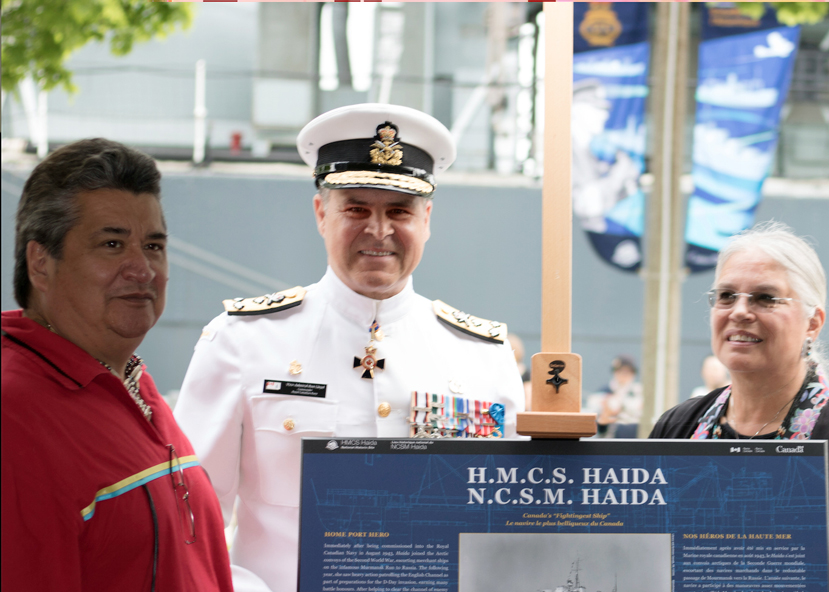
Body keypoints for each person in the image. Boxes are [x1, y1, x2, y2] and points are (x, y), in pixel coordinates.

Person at [173, 104, 526, 592]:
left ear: (427, 219)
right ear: (321, 214)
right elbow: (190, 517)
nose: (379, 230)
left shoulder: (483, 356)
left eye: (399, 211)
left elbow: (504, 526)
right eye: (356, 209)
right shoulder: (241, 341)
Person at [1, 139, 233, 591]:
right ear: (40, 263)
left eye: (153, 245)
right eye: (112, 244)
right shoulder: (14, 415)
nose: (143, 269)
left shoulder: (129, 382)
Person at [650, 221, 829, 591]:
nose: (740, 311)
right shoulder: (676, 430)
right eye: (726, 295)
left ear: (813, 323)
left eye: (765, 298)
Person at [588, 355, 644, 438]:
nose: (624, 375)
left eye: (628, 372)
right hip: (612, 436)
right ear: (615, 372)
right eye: (621, 371)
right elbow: (595, 414)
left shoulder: (639, 392)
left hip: (636, 435)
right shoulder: (604, 392)